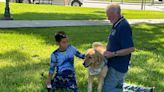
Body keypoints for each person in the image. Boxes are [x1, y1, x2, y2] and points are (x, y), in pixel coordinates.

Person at [103, 4, 135, 92]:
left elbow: (130, 49)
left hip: (117, 66)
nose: (108, 18)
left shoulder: (123, 26)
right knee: (118, 87)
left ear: (115, 14)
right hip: (114, 64)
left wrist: (112, 54)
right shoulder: (117, 23)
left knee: (108, 89)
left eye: (109, 15)